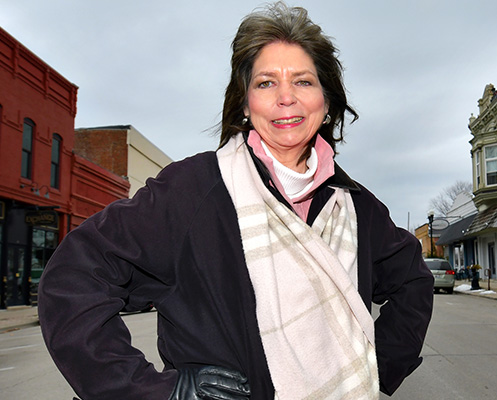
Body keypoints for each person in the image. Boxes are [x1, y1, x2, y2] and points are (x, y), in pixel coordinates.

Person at [38, 3, 434, 399]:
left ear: (327, 103)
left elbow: (412, 281)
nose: (285, 98)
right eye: (265, 83)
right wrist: (155, 391)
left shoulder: (356, 207)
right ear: (245, 104)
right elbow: (72, 278)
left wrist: (377, 367)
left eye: (303, 81)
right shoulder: (193, 190)